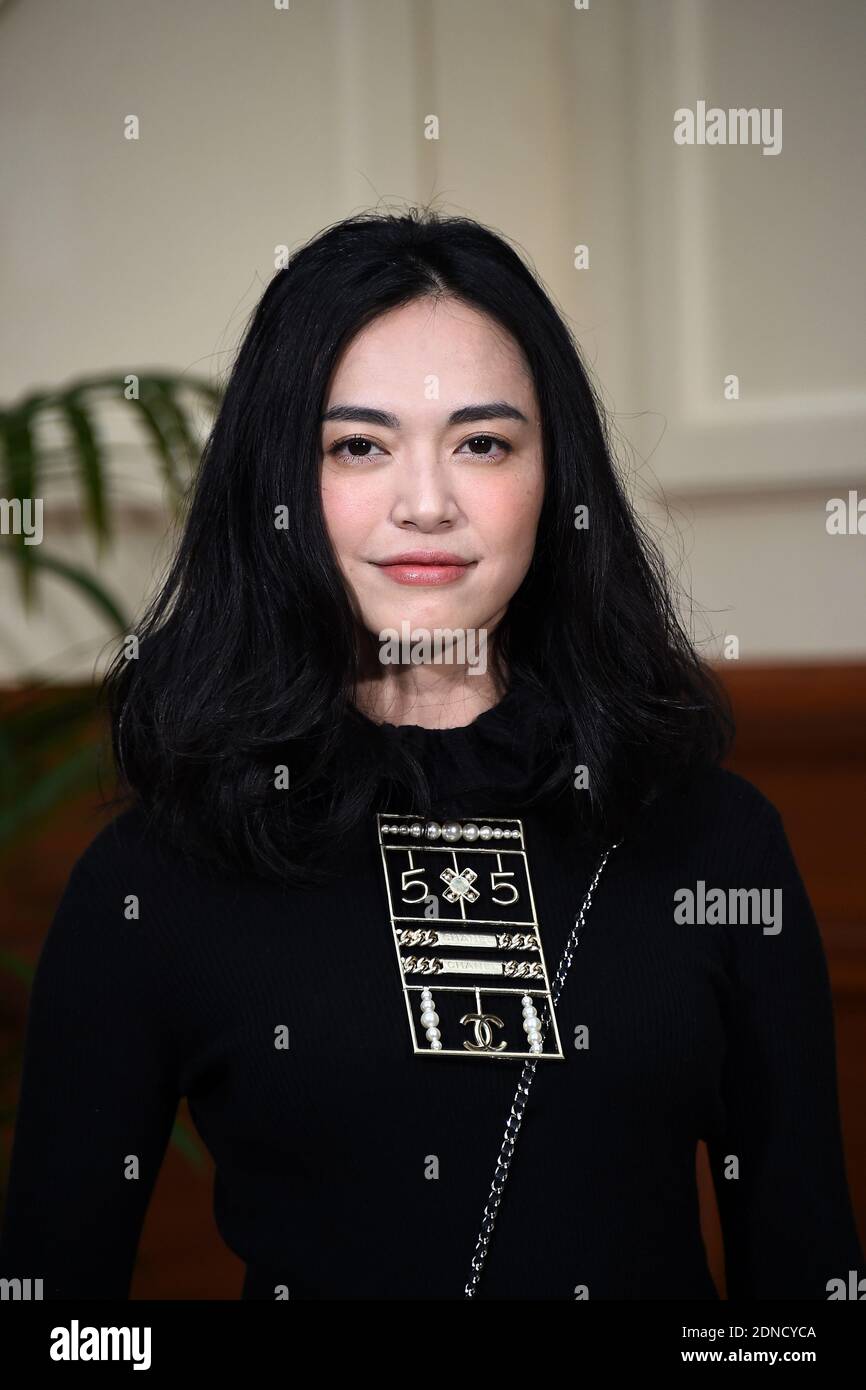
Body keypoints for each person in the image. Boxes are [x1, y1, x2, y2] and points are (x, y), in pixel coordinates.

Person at [1, 208, 862, 1301]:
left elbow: (806, 1287)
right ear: (277, 486)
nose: (424, 504)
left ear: (556, 482)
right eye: (357, 445)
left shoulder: (718, 843)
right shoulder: (151, 880)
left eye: (481, 443)